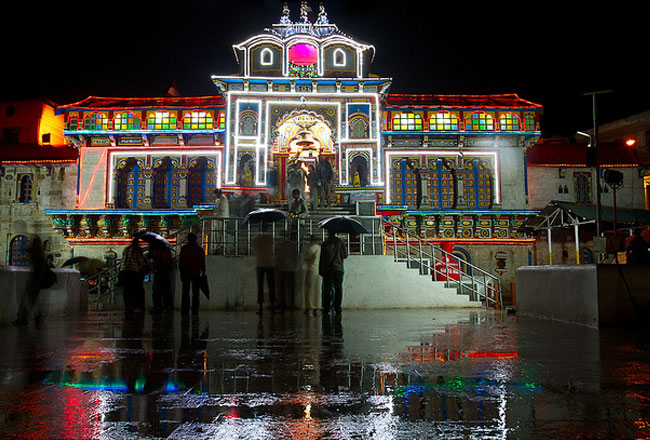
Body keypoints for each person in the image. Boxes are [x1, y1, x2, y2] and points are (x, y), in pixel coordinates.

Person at [14, 236, 47, 326]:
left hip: (34, 280)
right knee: (33, 300)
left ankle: (23, 318)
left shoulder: (36, 254)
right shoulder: (41, 254)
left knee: (27, 300)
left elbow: (28, 250)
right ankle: (37, 316)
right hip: (38, 280)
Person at [319, 230, 347, 315]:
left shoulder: (325, 243)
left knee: (327, 289)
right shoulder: (341, 243)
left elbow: (322, 258)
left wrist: (320, 270)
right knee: (338, 288)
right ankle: (337, 307)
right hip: (338, 269)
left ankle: (326, 308)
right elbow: (345, 255)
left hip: (328, 269)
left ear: (328, 233)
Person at [179, 232, 206, 315]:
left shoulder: (184, 249)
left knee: (185, 292)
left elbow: (181, 262)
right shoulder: (200, 250)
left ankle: (185, 309)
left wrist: (181, 273)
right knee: (195, 293)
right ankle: (195, 309)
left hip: (186, 273)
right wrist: (203, 272)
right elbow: (202, 263)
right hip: (196, 273)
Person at [121, 237, 148, 316]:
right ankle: (136, 307)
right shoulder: (138, 249)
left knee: (127, 291)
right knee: (136, 290)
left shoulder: (126, 249)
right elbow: (140, 262)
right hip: (133, 272)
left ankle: (128, 308)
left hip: (124, 271)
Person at [253, 224, 276, 314]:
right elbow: (272, 250)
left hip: (260, 263)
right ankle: (272, 306)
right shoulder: (270, 239)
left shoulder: (256, 239)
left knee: (260, 286)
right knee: (271, 286)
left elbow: (255, 249)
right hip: (269, 263)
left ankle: (261, 308)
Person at [275, 233, 299, 312]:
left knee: (282, 288)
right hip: (291, 269)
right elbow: (296, 257)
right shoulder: (294, 245)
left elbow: (278, 257)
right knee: (291, 288)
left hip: (282, 268)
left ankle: (283, 305)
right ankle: (291, 305)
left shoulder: (281, 245)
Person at [150, 243, 174, 312]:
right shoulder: (168, 252)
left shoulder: (156, 251)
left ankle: (157, 306)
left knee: (157, 290)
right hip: (166, 272)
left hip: (158, 271)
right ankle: (168, 306)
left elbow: (153, 260)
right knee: (166, 290)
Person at [301, 235, 321, 315]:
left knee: (309, 289)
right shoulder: (319, 247)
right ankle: (316, 305)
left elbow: (306, 257)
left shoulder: (313, 247)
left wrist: (303, 252)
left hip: (311, 269)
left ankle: (309, 306)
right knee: (316, 289)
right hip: (317, 269)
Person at [213, 188, 230, 254]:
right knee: (217, 233)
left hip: (221, 218)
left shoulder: (223, 199)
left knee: (221, 232)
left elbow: (222, 209)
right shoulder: (219, 199)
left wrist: (215, 211)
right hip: (218, 217)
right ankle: (218, 246)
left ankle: (221, 246)